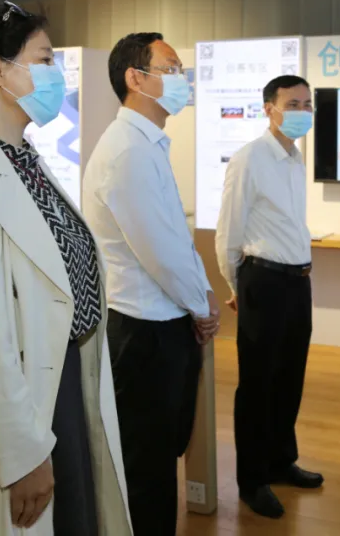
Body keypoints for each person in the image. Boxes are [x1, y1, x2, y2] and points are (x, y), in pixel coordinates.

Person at [0, 2, 132, 536]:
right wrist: (20, 455)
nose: (57, 75)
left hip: (60, 386)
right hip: (20, 410)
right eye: (45, 59)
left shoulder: (22, 160)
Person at [82, 32, 220, 536]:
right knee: (146, 470)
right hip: (142, 330)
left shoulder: (146, 144)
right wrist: (201, 305)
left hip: (161, 323)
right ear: (135, 79)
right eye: (171, 68)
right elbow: (158, 249)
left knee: (160, 455)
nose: (183, 79)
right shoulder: (127, 151)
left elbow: (174, 236)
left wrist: (201, 295)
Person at [215, 75, 323, 519]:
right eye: (292, 103)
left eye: (307, 104)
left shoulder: (294, 157)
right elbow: (229, 230)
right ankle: (252, 479)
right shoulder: (250, 158)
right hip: (263, 281)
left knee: (289, 378)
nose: (302, 111)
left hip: (297, 281)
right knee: (258, 385)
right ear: (269, 108)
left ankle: (281, 461)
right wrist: (235, 286)